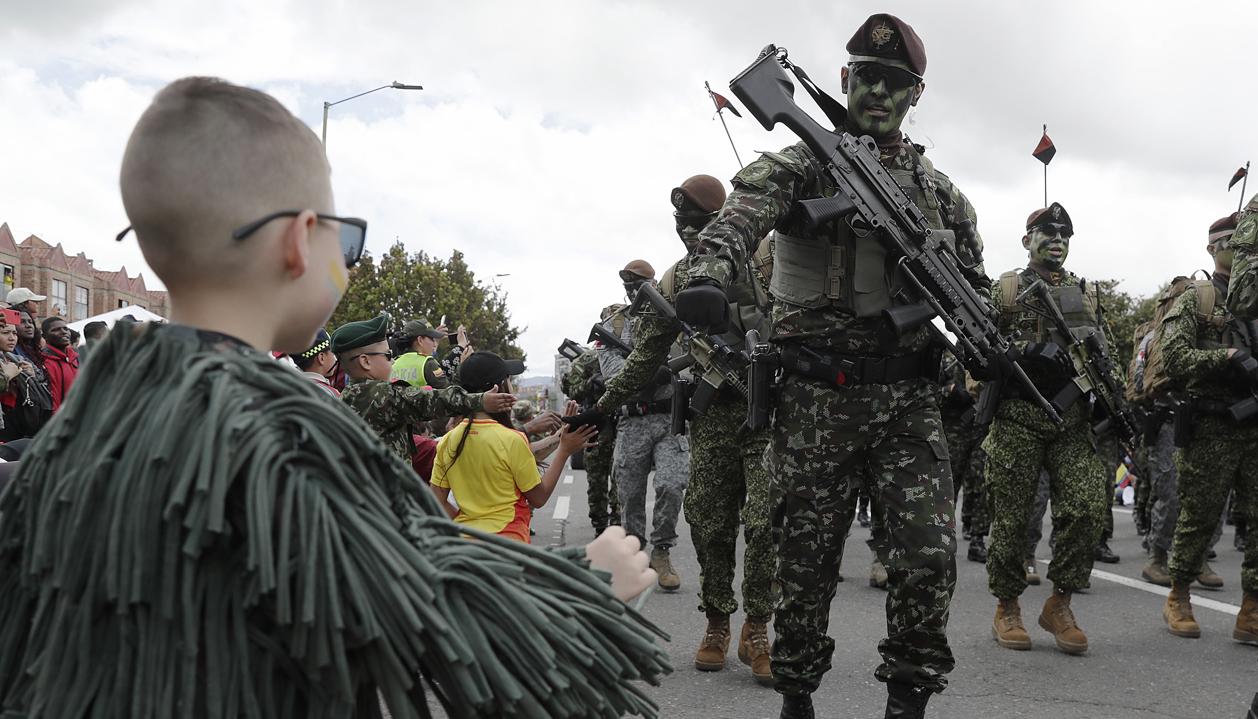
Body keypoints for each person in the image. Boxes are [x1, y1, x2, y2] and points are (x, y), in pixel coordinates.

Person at [0, 76, 665, 718]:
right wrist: (590, 579)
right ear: (298, 241)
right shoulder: (279, 427)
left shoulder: (81, 425)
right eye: (344, 240)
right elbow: (426, 600)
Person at [674, 14, 980, 717]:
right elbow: (741, 212)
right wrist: (711, 274)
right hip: (816, 399)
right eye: (867, 77)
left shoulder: (943, 197)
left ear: (916, 95)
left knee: (930, 557)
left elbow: (971, 286)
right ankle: (798, 696)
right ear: (843, 80)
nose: (878, 92)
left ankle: (908, 699)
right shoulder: (802, 163)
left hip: (907, 399)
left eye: (895, 83)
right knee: (803, 566)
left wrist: (973, 347)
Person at [589, 175, 777, 685]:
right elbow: (645, 354)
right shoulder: (676, 281)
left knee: (765, 521)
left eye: (696, 221)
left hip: (771, 412)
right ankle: (718, 621)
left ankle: (758, 625)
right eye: (680, 222)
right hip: (714, 415)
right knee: (711, 523)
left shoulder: (768, 261)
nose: (686, 231)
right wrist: (601, 403)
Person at [985, 203, 1115, 656]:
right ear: (1027, 240)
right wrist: (1025, 350)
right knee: (1014, 516)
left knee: (1085, 507)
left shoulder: (1085, 292)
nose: (1057, 239)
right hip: (1018, 418)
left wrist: (1116, 402)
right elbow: (974, 346)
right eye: (1047, 231)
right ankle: (1007, 605)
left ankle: (1060, 602)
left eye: (1065, 233)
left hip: (1072, 419)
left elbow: (1105, 351)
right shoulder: (1005, 290)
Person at [1153, 213, 1258, 644]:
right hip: (1212, 423)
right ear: (1212, 248)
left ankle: (1251, 606)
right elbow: (1173, 359)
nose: (1243, 250)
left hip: (1255, 424)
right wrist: (1227, 358)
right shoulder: (1198, 298)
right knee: (1198, 518)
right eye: (1233, 242)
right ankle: (1178, 594)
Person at [591, 260, 691, 593]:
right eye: (629, 286)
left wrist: (669, 372)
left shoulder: (674, 319)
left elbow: (694, 363)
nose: (634, 291)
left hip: (668, 419)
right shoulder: (613, 326)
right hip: (632, 419)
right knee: (629, 495)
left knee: (672, 485)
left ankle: (661, 551)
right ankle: (635, 552)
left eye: (641, 285)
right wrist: (653, 372)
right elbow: (613, 376)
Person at [430, 352, 596, 542]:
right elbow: (539, 498)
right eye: (508, 381)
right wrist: (564, 451)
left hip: (465, 547)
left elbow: (437, 500)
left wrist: (465, 524)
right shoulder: (512, 439)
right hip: (509, 544)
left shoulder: (448, 440)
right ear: (497, 388)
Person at [332, 312, 512, 467]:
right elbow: (431, 400)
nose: (392, 360)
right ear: (365, 361)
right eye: (387, 355)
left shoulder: (346, 396)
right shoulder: (378, 393)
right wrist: (480, 400)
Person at [560, 319, 622, 534]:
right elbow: (572, 391)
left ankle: (618, 523)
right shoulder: (585, 360)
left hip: (621, 422)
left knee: (621, 477)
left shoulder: (626, 354)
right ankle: (600, 524)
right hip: (595, 425)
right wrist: (591, 382)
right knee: (596, 479)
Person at [390, 318, 465, 389]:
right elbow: (450, 396)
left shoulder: (394, 363)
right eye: (432, 339)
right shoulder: (428, 363)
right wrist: (461, 367)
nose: (434, 344)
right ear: (420, 340)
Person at [40, 316, 79, 412]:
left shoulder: (75, 358)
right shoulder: (43, 361)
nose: (63, 332)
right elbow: (53, 400)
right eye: (56, 330)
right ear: (44, 336)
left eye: (65, 329)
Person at [292, 327, 340, 398]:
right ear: (321, 358)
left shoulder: (289, 387)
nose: (335, 359)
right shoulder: (329, 394)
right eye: (332, 353)